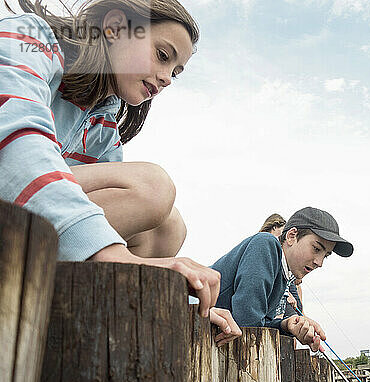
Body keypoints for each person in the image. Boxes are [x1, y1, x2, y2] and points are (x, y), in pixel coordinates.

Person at [0, 0, 238, 345]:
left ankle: (82, 323)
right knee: (151, 187)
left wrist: (186, 301)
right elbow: (14, 142)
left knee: (167, 225)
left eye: (177, 71)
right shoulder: (29, 36)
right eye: (162, 55)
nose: (169, 78)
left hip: (31, 240)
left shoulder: (103, 124)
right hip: (13, 210)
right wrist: (112, 253)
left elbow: (112, 216)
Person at [212, 207, 353, 351]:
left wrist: (286, 325)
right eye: (316, 249)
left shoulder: (282, 277)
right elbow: (248, 326)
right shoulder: (267, 243)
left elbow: (255, 325)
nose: (319, 262)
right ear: (291, 236)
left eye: (326, 255)